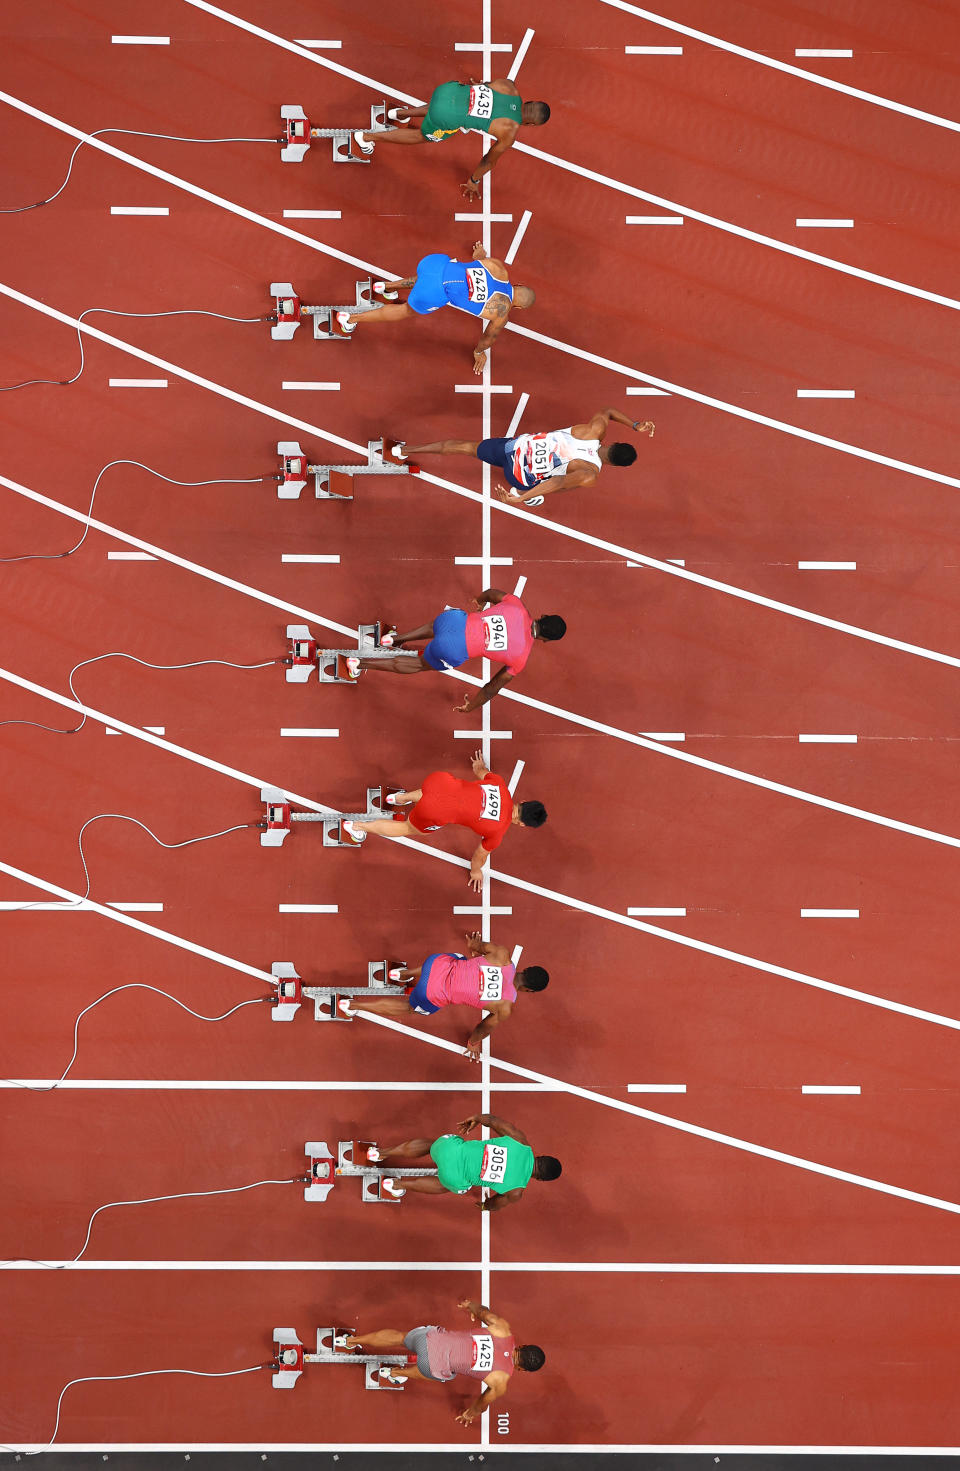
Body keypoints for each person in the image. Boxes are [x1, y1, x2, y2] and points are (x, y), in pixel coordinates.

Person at [343, 749, 546, 892]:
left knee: (439, 793)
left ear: (523, 801)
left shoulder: (500, 783)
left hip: (439, 780)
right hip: (434, 810)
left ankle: (398, 798)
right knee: (409, 828)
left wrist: (480, 766)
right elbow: (479, 857)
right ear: (522, 824)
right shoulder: (497, 832)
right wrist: (476, 872)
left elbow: (480, 771)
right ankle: (358, 827)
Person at [337, 242, 534, 376]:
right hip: (433, 290)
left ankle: (386, 287)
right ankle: (351, 319)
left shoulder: (498, 267)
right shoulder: (502, 312)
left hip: (435, 262)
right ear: (517, 306)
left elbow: (479, 256)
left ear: (517, 284)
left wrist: (480, 254)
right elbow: (488, 338)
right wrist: (478, 352)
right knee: (406, 310)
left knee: (430, 277)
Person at [356, 588, 566, 712]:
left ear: (544, 616)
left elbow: (492, 593)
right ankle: (360, 663)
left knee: (434, 626)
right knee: (419, 664)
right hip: (453, 649)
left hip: (454, 621)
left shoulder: (517, 605)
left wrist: (479, 601)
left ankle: (393, 639)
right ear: (546, 641)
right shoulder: (520, 659)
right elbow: (492, 687)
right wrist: (472, 706)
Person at [347, 932, 549, 1060]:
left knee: (459, 959)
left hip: (435, 962)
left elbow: (476, 947)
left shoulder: (502, 954)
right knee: (409, 1008)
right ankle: (354, 1006)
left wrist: (474, 944)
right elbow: (481, 1028)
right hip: (431, 992)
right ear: (529, 991)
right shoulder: (504, 1007)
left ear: (527, 969)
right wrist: (473, 1043)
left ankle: (400, 974)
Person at [399, 408, 656, 508]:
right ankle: (532, 493)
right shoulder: (590, 474)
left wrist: (635, 424)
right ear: (615, 466)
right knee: (561, 485)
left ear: (615, 442)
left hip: (515, 448)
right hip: (518, 476)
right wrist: (521, 497)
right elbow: (557, 485)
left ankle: (405, 450)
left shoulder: (594, 430)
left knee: (465, 447)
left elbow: (608, 411)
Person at [344, 1297, 545, 1423]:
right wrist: (470, 1414)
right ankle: (395, 1373)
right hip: (430, 1366)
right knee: (442, 1372)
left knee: (399, 1337)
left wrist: (470, 1306)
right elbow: (482, 1404)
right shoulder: (501, 1381)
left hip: (429, 1339)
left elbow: (482, 1311)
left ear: (522, 1346)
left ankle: (351, 1341)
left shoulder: (502, 1328)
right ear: (522, 1370)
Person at [352, 78, 550, 197]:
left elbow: (483, 86)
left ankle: (400, 114)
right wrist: (474, 180)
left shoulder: (509, 86)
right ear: (531, 124)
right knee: (423, 136)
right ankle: (368, 137)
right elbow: (488, 161)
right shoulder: (510, 131)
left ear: (529, 101)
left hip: (448, 90)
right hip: (443, 116)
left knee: (451, 105)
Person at [369, 1111, 561, 1207]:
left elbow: (491, 1120)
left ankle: (380, 1153)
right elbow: (495, 1205)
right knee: (447, 1185)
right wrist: (485, 1206)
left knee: (433, 1145)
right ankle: (397, 1186)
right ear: (540, 1179)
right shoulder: (516, 1192)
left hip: (448, 1149)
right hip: (454, 1178)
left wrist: (475, 1118)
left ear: (541, 1156)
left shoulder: (520, 1140)